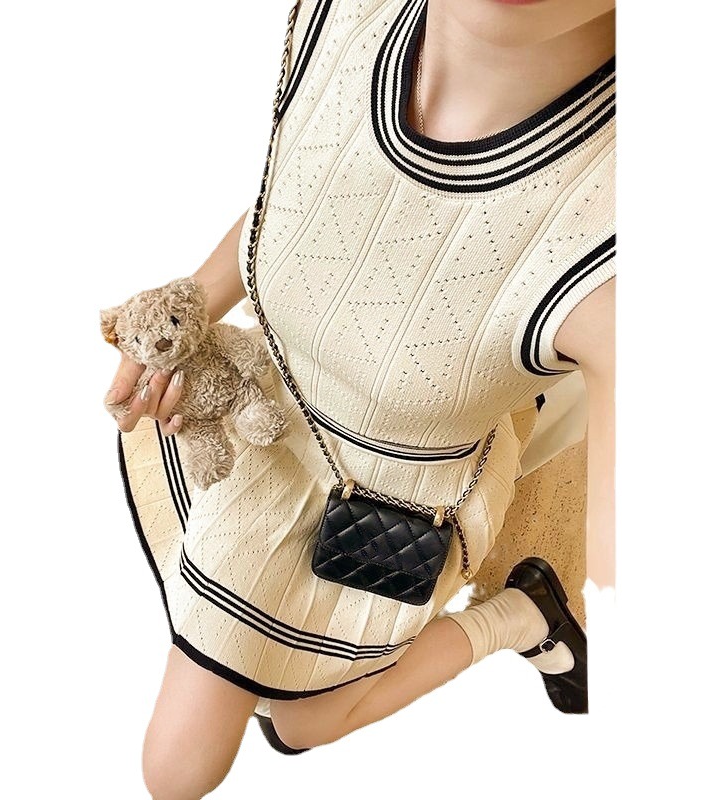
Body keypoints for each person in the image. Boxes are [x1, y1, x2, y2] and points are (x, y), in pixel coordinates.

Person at [103, 0, 615, 796]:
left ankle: (523, 614)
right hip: (260, 421)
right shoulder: (339, 16)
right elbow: (304, 199)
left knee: (260, 738)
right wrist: (189, 309)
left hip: (398, 498)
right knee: (266, 722)